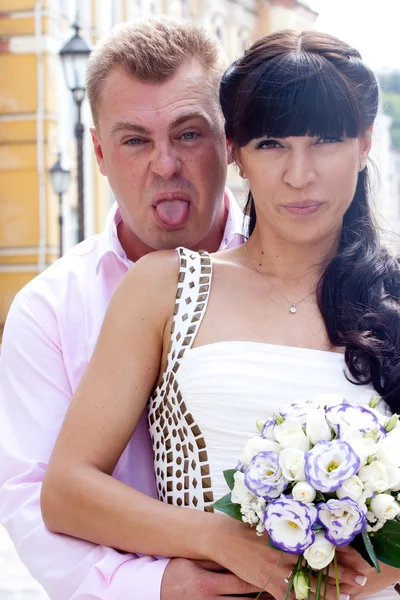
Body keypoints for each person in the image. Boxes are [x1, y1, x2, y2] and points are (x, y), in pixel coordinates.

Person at [40, 28, 400, 600]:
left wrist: (350, 575)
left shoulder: (394, 298)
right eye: (272, 144)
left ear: (364, 143)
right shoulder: (166, 285)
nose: (299, 174)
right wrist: (219, 539)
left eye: (326, 141)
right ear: (235, 150)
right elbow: (66, 491)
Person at [0, 17, 262, 600]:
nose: (164, 164)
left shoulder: (305, 273)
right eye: (136, 140)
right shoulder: (48, 310)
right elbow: (29, 496)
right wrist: (158, 584)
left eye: (188, 134)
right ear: (98, 151)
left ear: (228, 139)